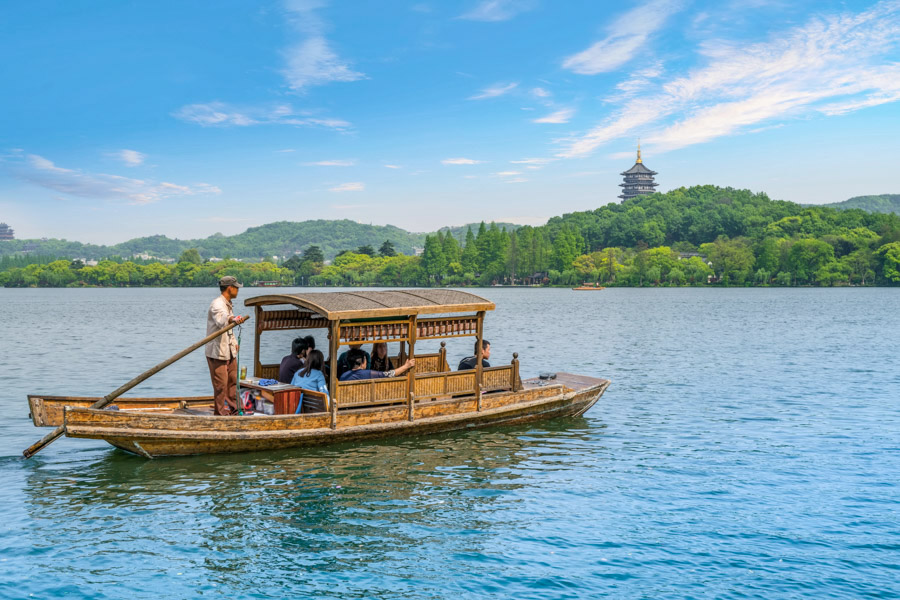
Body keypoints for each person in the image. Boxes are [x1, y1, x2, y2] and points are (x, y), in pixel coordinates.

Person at [205, 276, 247, 416]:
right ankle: (220, 414)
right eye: (236, 288)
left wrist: (234, 343)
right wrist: (232, 318)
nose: (238, 290)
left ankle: (236, 409)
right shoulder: (217, 304)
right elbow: (221, 319)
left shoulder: (228, 304)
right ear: (230, 288)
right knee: (221, 385)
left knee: (233, 382)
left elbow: (229, 330)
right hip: (217, 352)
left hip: (229, 350)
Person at [339, 348, 415, 381]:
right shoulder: (368, 374)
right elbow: (389, 374)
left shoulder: (343, 376)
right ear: (362, 362)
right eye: (365, 359)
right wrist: (406, 366)